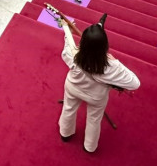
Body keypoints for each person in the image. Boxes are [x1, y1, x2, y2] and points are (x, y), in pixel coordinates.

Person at [57, 11, 140, 153]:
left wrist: (67, 31)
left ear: (83, 42)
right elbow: (135, 83)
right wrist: (116, 62)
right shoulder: (111, 66)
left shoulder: (73, 53)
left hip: (73, 87)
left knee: (69, 109)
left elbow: (67, 46)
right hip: (95, 96)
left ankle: (65, 133)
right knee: (94, 119)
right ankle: (89, 147)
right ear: (104, 46)